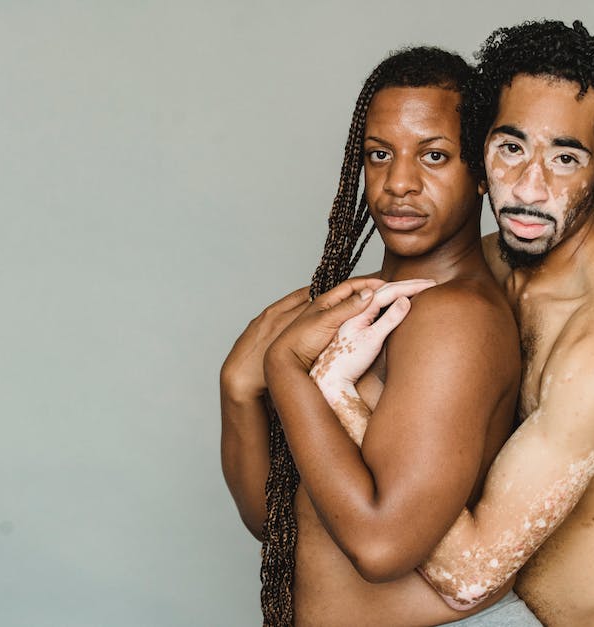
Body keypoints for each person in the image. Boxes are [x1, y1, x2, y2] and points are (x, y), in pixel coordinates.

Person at [283, 20, 594, 627]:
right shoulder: (487, 263)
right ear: (480, 151)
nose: (527, 187)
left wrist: (333, 392)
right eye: (511, 147)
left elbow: (471, 575)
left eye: (565, 157)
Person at [221, 47, 540, 625]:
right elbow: (281, 523)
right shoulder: (354, 310)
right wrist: (238, 390)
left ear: (481, 174)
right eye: (378, 154)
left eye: (435, 156)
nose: (398, 183)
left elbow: (381, 547)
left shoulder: (455, 319)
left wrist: (287, 369)